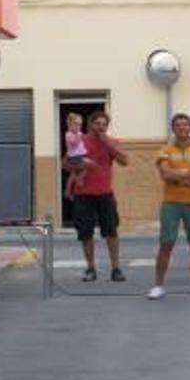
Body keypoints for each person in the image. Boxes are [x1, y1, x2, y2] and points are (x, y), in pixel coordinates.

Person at [149, 113, 190, 300]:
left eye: (186, 125)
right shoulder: (165, 151)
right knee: (166, 244)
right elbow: (166, 175)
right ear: (173, 128)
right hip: (171, 203)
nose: (183, 128)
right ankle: (158, 286)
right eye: (179, 125)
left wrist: (180, 176)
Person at [72, 111, 129, 283]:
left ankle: (116, 268)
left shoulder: (112, 142)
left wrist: (108, 144)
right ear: (91, 124)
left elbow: (124, 161)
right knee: (86, 233)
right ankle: (90, 268)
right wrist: (82, 165)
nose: (101, 127)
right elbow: (66, 164)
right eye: (98, 124)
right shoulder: (80, 141)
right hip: (83, 194)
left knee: (111, 231)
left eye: (104, 124)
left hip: (105, 193)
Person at [63, 112, 89, 200]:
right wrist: (78, 136)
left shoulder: (78, 133)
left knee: (73, 174)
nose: (78, 127)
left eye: (80, 125)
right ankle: (79, 182)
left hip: (79, 156)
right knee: (86, 168)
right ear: (70, 125)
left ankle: (68, 191)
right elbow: (74, 143)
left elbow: (84, 140)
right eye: (76, 124)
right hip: (76, 157)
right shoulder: (69, 134)